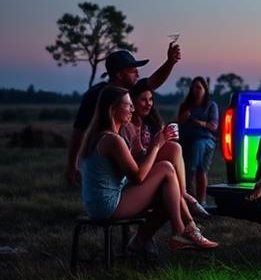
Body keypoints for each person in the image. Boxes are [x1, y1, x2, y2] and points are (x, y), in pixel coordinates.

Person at [78, 85, 216, 253]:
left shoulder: (101, 135)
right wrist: (157, 145)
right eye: (129, 105)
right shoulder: (112, 140)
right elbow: (138, 177)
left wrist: (155, 146)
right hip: (107, 206)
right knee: (166, 168)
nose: (132, 109)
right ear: (113, 109)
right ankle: (181, 230)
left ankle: (141, 241)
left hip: (96, 204)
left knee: (169, 191)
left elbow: (131, 170)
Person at [66, 43, 181, 186]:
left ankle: (187, 198)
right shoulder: (97, 95)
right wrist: (72, 166)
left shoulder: (131, 90)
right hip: (111, 163)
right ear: (119, 74)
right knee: (162, 170)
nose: (138, 74)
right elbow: (79, 131)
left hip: (133, 157)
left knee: (174, 148)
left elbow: (153, 81)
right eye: (133, 71)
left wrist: (170, 62)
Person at [124, 83, 210, 218]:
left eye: (151, 99)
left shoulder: (151, 121)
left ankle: (184, 197)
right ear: (133, 102)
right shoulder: (128, 125)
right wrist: (156, 145)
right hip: (137, 174)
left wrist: (164, 138)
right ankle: (187, 220)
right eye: (143, 100)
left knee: (174, 147)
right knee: (169, 169)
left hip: (150, 165)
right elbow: (137, 159)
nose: (148, 104)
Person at [178, 77, 218, 205]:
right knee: (192, 168)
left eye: (199, 88)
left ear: (205, 90)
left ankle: (200, 201)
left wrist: (200, 123)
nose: (196, 90)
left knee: (198, 169)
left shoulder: (211, 106)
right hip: (187, 140)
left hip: (205, 140)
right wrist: (183, 118)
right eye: (194, 88)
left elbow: (214, 126)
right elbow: (178, 122)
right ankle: (189, 200)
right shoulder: (186, 106)